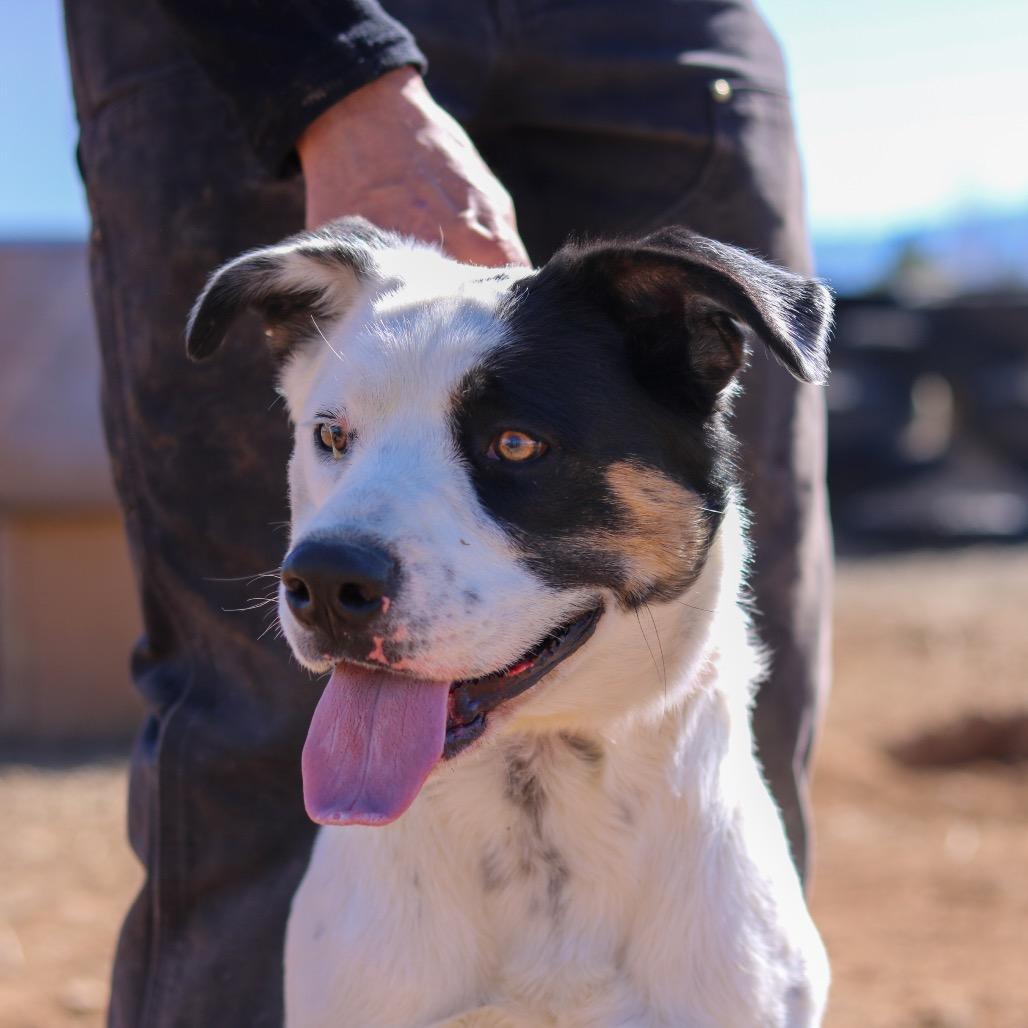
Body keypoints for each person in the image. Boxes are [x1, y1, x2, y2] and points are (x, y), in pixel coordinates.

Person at [64, 2, 831, 1025]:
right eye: (337, 441)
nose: (338, 552)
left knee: (763, 671)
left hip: (662, 32)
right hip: (240, 36)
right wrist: (330, 72)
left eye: (515, 445)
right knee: (240, 727)